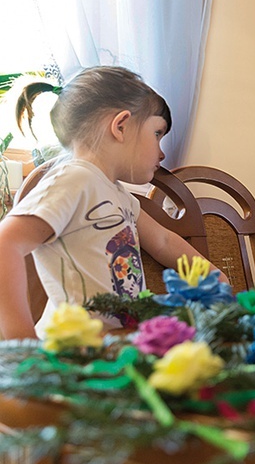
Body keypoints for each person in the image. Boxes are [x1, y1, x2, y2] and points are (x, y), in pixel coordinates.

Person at [0, 66, 228, 340]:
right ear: (120, 126)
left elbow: (164, 242)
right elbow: (6, 244)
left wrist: (216, 278)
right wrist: (20, 340)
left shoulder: (120, 196)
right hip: (72, 352)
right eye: (157, 133)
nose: (162, 152)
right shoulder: (74, 180)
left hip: (113, 347)